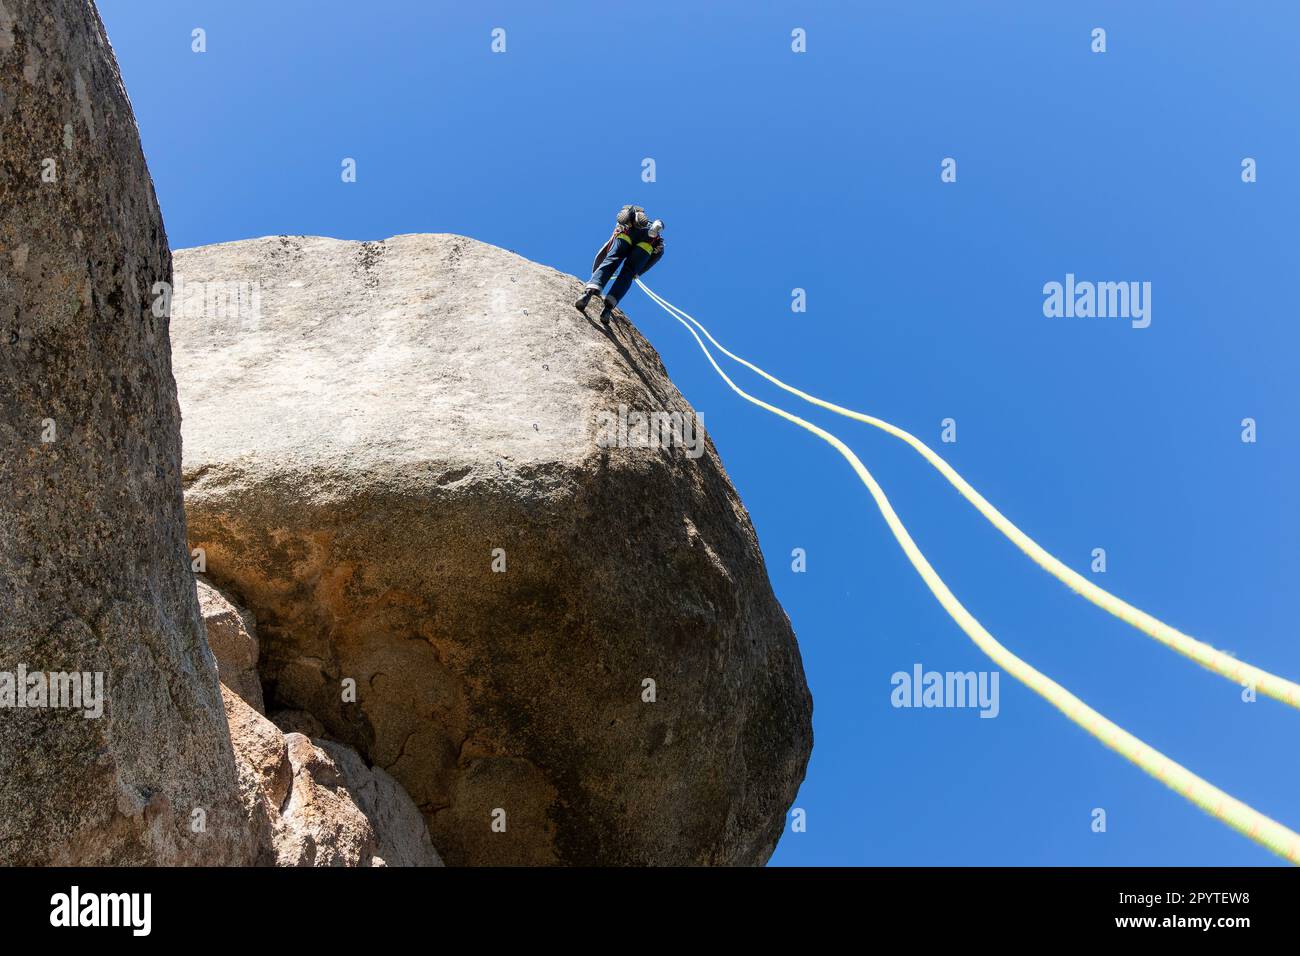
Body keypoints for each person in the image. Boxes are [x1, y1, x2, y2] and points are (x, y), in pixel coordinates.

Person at [576, 205, 665, 325]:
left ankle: (587, 295)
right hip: (648, 242)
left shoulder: (620, 228)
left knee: (611, 261)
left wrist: (594, 274)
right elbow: (657, 255)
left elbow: (605, 251)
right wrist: (638, 273)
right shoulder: (655, 239)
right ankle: (607, 310)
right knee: (627, 274)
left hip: (627, 233)